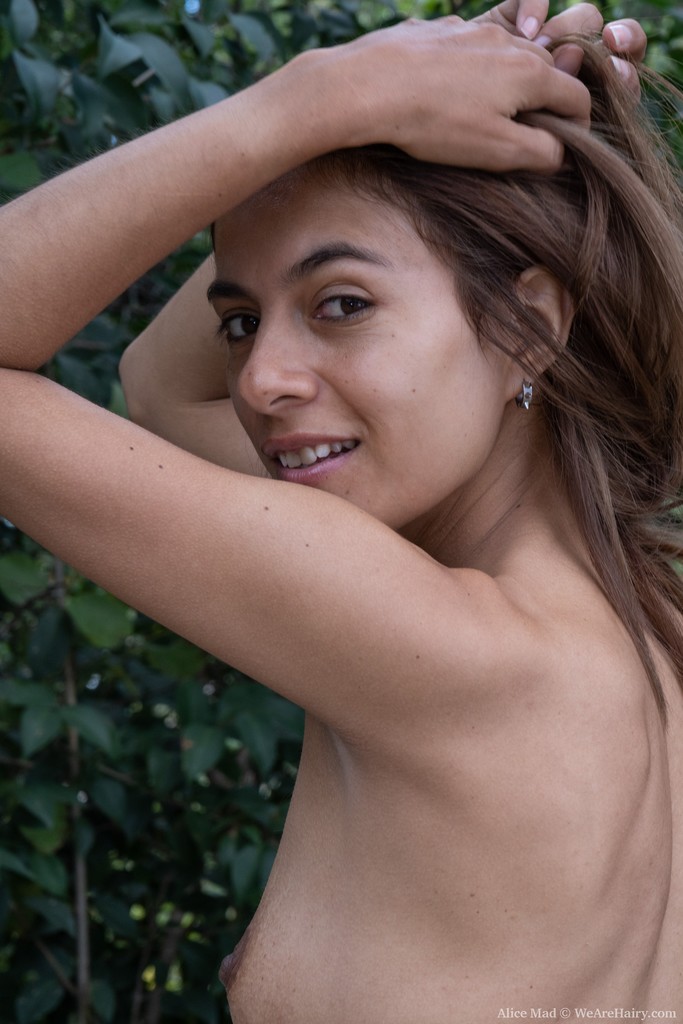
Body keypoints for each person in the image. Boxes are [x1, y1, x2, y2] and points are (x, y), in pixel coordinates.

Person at [0, 1, 677, 1020]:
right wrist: (396, 111)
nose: (259, 377)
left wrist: (322, 97)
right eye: (240, 321)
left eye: (343, 305)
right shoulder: (646, 634)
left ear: (528, 327)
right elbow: (160, 388)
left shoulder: (438, 643)